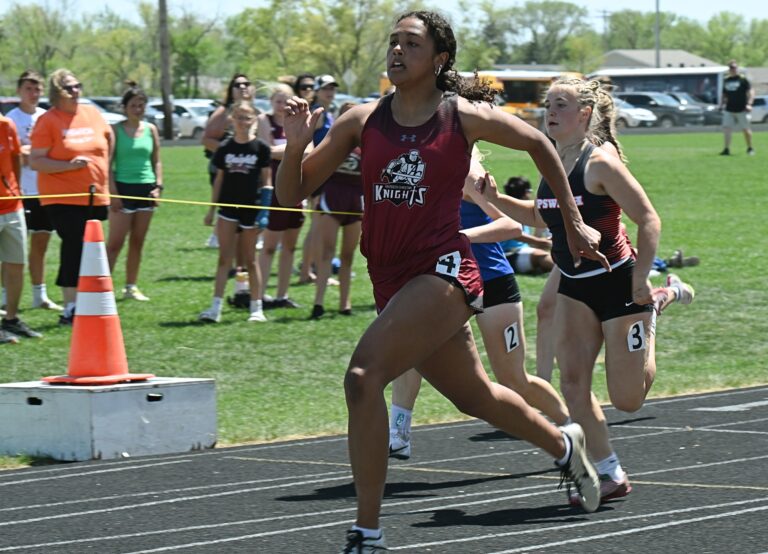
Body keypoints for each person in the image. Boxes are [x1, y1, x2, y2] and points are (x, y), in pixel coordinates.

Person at [277, 11, 607, 551]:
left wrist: (571, 221)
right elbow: (292, 196)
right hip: (389, 277)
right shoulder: (361, 120)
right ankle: (565, 446)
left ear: (439, 59)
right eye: (393, 42)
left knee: (363, 377)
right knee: (476, 396)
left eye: (412, 43)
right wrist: (295, 145)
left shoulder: (462, 118)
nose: (397, 51)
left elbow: (538, 146)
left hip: (444, 270)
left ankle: (366, 533)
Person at [480, 77, 696, 507]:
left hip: (618, 284)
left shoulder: (600, 163)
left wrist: (640, 280)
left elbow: (648, 220)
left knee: (627, 399)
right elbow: (541, 218)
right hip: (575, 288)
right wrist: (492, 196)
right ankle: (609, 471)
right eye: (548, 105)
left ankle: (654, 306)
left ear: (584, 114)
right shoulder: (551, 161)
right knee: (573, 383)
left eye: (561, 105)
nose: (550, 112)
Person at [389, 154, 570, 461]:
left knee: (513, 379)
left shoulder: (469, 171)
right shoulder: (417, 164)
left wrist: (459, 238)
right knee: (410, 349)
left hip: (491, 282)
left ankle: (571, 427)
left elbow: (510, 226)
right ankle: (398, 433)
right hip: (446, 282)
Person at [29, 68, 112, 326]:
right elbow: (36, 161)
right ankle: (71, 306)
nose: (76, 92)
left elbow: (107, 142)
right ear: (57, 93)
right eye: (69, 88)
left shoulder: (92, 114)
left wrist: (102, 170)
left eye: (78, 86)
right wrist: (69, 166)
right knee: (74, 243)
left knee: (92, 248)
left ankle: (91, 301)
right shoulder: (48, 120)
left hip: (96, 195)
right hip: (62, 197)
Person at [199, 101, 271, 323]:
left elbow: (267, 181)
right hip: (228, 209)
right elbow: (219, 181)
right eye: (239, 117)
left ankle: (256, 308)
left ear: (254, 121)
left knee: (251, 261)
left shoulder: (261, 148)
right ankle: (215, 308)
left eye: (247, 117)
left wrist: (265, 211)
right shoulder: (225, 148)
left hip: (252, 208)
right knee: (224, 259)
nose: (243, 122)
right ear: (232, 120)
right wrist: (212, 210)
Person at [5, 70, 62, 312]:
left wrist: (36, 154)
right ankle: (5, 296)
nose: (33, 93)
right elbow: (17, 155)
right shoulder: (11, 119)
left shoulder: (46, 117)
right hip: (19, 193)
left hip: (45, 190)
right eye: (29, 89)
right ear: (19, 91)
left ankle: (40, 294)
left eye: (37, 89)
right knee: (12, 249)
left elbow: (53, 151)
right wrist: (35, 153)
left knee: (41, 242)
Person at [106, 84, 163, 301]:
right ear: (124, 107)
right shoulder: (115, 130)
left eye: (141, 105)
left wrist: (158, 186)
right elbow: (107, 164)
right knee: (115, 243)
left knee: (137, 241)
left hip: (146, 189)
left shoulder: (151, 129)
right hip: (122, 188)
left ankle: (131, 286)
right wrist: (113, 193)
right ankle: (104, 287)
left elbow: (156, 160)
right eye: (133, 105)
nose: (137, 109)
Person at [310, 102, 363, 320]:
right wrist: (314, 196)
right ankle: (318, 303)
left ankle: (344, 303)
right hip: (332, 197)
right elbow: (317, 167)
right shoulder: (332, 140)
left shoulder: (368, 141)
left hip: (355, 199)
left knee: (348, 255)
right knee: (326, 252)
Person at [256, 83, 305, 309]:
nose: (281, 105)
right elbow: (264, 150)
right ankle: (260, 294)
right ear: (271, 102)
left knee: (290, 247)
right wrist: (294, 149)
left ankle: (281, 295)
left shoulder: (298, 122)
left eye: (286, 101)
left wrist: (289, 150)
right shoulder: (264, 120)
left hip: (296, 187)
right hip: (273, 187)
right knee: (268, 246)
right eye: (277, 101)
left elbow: (309, 149)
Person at [201, 73, 258, 249]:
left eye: (246, 84)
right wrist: (230, 152)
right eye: (237, 85)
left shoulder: (254, 111)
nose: (242, 87)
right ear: (230, 90)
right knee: (227, 203)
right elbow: (207, 139)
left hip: (248, 167)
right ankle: (217, 237)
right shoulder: (223, 112)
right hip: (223, 167)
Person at [0, 108, 42, 342]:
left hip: (12, 206)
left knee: (16, 263)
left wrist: (14, 192)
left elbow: (15, 158)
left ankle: (11, 319)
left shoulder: (6, 125)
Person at [298, 74, 339, 286]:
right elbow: (307, 144)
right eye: (325, 88)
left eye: (332, 88)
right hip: (318, 172)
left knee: (316, 226)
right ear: (317, 90)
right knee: (316, 227)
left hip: (325, 172)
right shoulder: (318, 114)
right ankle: (307, 270)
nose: (330, 92)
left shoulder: (327, 112)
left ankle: (308, 269)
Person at [500, 176, 554, 274]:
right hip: (509, 255)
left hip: (520, 252)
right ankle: (564, 271)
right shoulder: (508, 211)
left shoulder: (511, 208)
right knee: (541, 256)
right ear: (526, 193)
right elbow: (513, 232)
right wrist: (541, 242)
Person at [720, 60, 755, 156]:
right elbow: (724, 94)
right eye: (731, 68)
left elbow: (751, 92)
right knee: (727, 128)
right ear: (729, 69)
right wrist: (721, 104)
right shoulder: (726, 80)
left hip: (742, 109)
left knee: (745, 129)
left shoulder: (743, 79)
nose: (733, 69)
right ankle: (726, 149)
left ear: (737, 68)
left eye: (735, 67)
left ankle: (750, 148)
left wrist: (749, 104)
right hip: (729, 108)